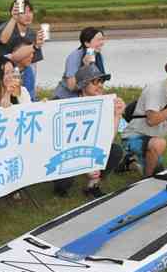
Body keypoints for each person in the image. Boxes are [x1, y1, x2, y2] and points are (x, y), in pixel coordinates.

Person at [53, 64, 125, 198]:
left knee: (115, 150)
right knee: (63, 185)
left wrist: (117, 115)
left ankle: (93, 184)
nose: (100, 85)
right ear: (83, 85)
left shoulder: (107, 103)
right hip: (69, 151)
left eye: (102, 81)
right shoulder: (68, 105)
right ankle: (60, 186)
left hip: (91, 149)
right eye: (95, 82)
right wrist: (86, 165)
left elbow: (108, 139)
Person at [0, 0, 45, 100]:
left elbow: (33, 63)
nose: (28, 15)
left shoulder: (32, 34)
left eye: (30, 11)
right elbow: (3, 40)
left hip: (24, 72)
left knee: (28, 93)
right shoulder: (6, 28)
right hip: (4, 74)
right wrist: (13, 18)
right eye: (23, 12)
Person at [53, 27, 106, 100]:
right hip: (65, 97)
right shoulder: (75, 56)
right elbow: (71, 86)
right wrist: (85, 67)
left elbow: (98, 82)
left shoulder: (99, 56)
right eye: (98, 40)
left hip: (85, 97)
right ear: (87, 43)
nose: (102, 43)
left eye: (102, 39)